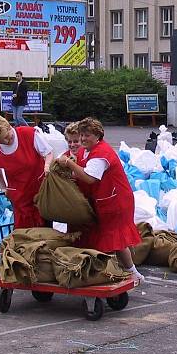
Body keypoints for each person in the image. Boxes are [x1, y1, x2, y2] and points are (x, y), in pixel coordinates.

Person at [54, 117, 144, 282]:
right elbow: (81, 171)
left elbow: (89, 177)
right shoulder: (85, 150)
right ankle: (114, 271)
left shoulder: (102, 153)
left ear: (97, 135)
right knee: (103, 237)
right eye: (81, 135)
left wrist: (69, 163)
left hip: (116, 201)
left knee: (115, 239)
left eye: (86, 135)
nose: (82, 139)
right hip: (102, 200)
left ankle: (131, 273)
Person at [0, 114, 54, 229]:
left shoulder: (28, 134)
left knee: (44, 227)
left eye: (8, 136)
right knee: (23, 229)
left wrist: (47, 166)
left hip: (40, 191)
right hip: (19, 196)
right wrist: (3, 188)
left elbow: (48, 153)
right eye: (1, 141)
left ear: (9, 127)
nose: (6, 141)